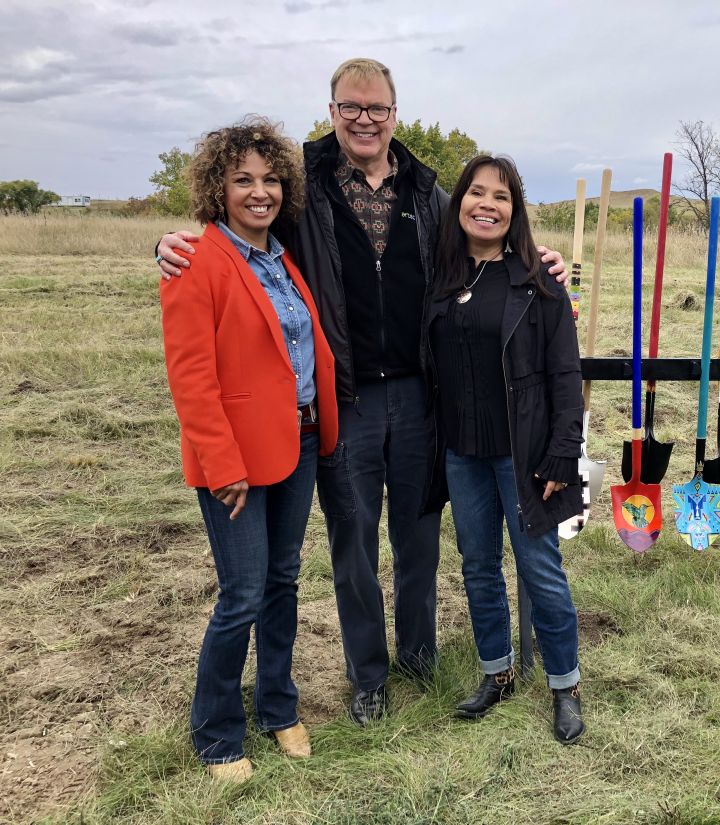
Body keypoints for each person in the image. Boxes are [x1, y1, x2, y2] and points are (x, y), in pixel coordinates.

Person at [156, 59, 566, 724]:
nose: (365, 119)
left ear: (395, 114)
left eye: (377, 108)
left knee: (419, 536)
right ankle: (367, 673)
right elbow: (233, 230)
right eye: (352, 107)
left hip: (419, 394)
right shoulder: (301, 189)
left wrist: (541, 261)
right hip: (343, 400)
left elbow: (487, 244)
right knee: (353, 541)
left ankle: (419, 658)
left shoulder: (429, 195)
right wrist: (164, 244)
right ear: (332, 111)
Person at [159, 117, 338, 782]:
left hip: (299, 440)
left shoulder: (283, 257)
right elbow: (191, 377)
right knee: (241, 593)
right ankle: (215, 731)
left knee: (283, 581)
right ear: (218, 187)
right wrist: (222, 465)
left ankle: (278, 705)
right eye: (243, 180)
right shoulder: (194, 260)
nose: (258, 191)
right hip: (234, 460)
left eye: (269, 179)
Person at [428, 155, 586, 744]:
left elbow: (565, 376)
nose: (486, 204)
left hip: (523, 457)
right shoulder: (441, 278)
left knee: (541, 570)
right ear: (459, 202)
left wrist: (562, 454)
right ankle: (497, 673)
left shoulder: (539, 284)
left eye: (500, 196)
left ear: (514, 210)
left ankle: (564, 686)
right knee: (477, 567)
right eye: (475, 192)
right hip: (462, 455)